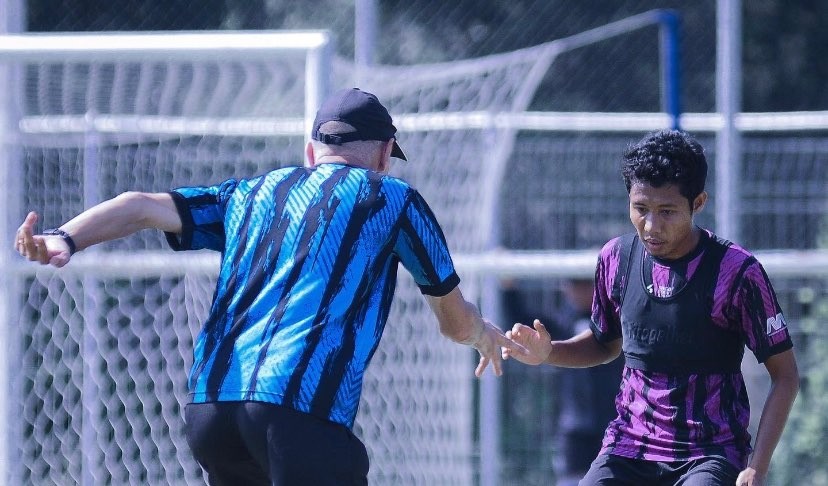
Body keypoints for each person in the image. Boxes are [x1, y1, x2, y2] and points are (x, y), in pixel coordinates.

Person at [14, 87, 522, 486]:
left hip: (212, 410)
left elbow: (140, 205)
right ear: (386, 154)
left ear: (311, 151)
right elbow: (453, 321)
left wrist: (65, 237)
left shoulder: (248, 194)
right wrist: (482, 334)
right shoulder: (392, 198)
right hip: (295, 410)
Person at [503, 129, 799, 486]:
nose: (651, 225)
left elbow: (785, 376)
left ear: (698, 202)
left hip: (709, 454)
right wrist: (548, 352)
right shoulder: (616, 259)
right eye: (640, 209)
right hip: (629, 446)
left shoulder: (737, 272)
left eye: (668, 211)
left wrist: (757, 466)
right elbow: (603, 344)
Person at [502, 278, 623, 486]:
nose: (580, 291)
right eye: (574, 285)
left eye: (586, 284)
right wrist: (508, 287)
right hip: (574, 426)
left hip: (612, 422)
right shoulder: (562, 323)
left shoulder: (615, 323)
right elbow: (522, 322)